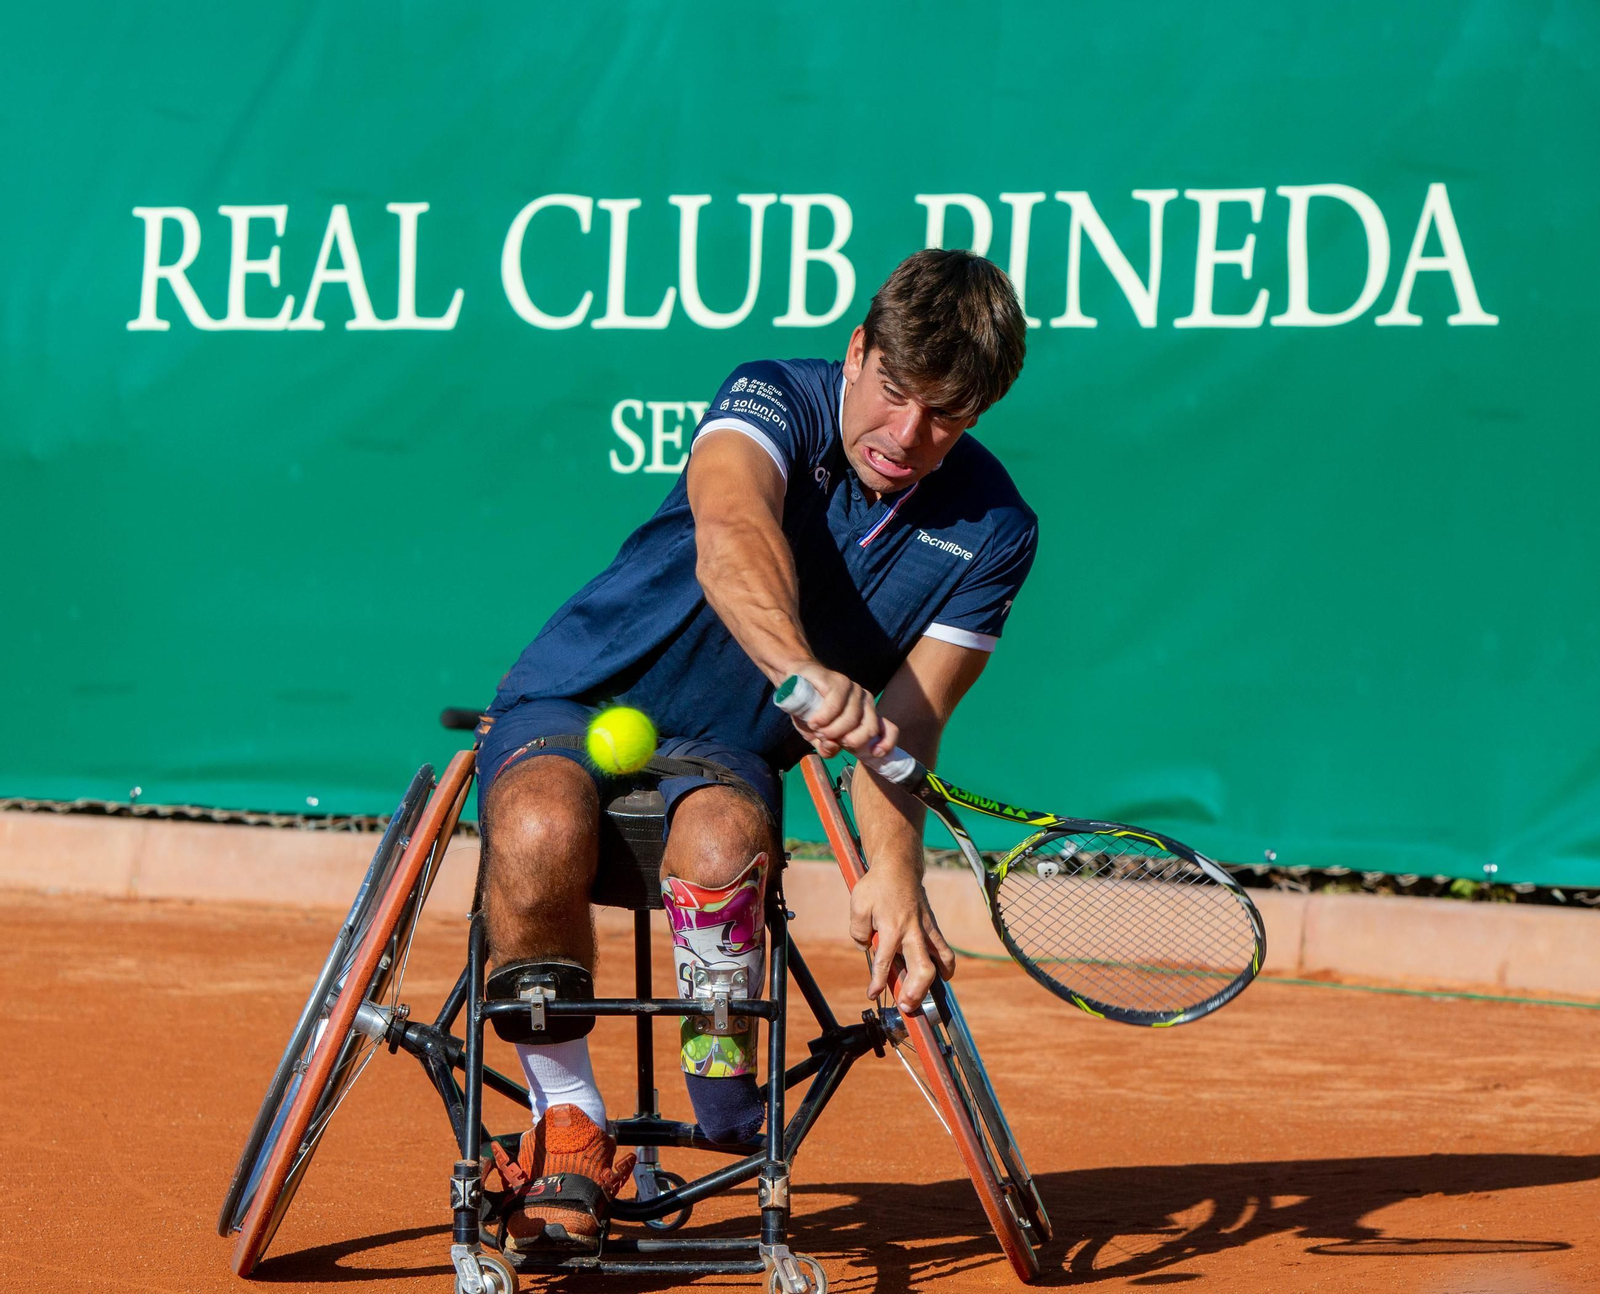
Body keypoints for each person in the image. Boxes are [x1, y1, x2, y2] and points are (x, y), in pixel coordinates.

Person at [474, 248, 1037, 1249]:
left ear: (979, 413)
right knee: (536, 823)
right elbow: (731, 527)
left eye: (946, 415)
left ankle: (722, 1081)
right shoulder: (771, 395)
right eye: (895, 392)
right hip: (583, 688)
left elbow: (905, 728)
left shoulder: (995, 531)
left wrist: (895, 878)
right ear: (857, 349)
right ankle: (568, 1124)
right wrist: (800, 667)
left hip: (725, 753)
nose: (908, 436)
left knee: (725, 856)